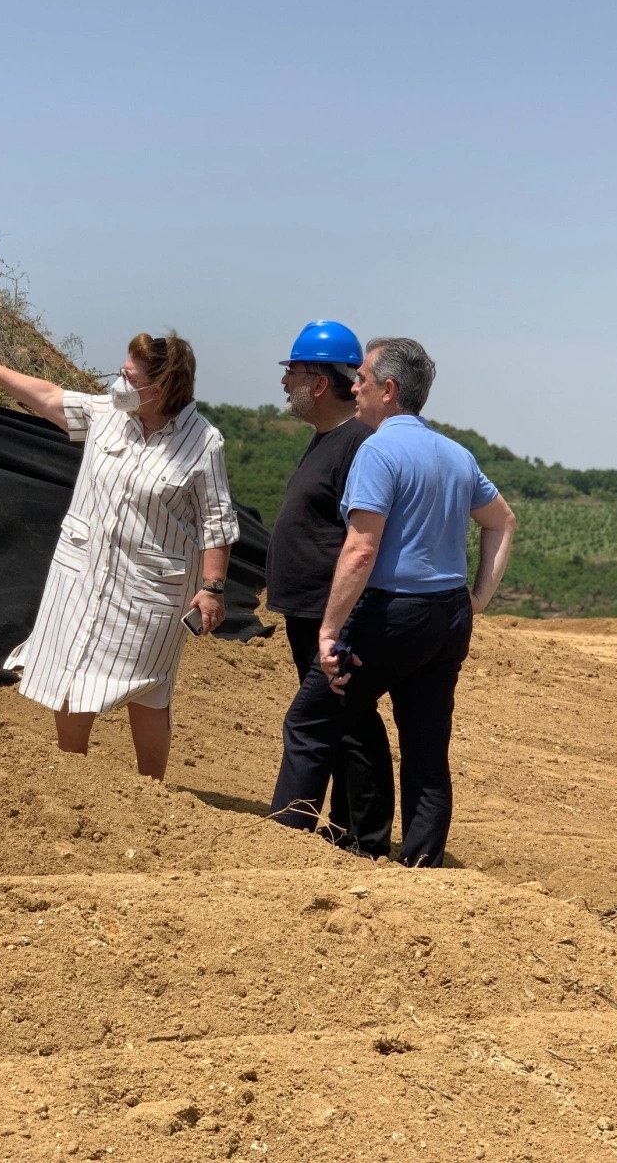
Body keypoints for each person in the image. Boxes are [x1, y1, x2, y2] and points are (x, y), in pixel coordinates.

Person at [270, 336, 516, 867]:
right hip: (448, 617)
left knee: (310, 722)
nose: (353, 386)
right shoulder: (456, 454)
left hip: (392, 614)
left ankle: (282, 848)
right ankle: (424, 865)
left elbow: (361, 549)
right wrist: (477, 599)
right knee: (426, 749)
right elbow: (502, 520)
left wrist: (329, 632)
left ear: (387, 389)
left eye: (361, 378)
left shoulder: (377, 451)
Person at [0, 331, 239, 781]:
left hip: (152, 591)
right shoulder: (108, 414)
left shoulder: (203, 443)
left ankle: (151, 788)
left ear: (160, 388)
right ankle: (74, 776)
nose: (119, 383)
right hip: (83, 576)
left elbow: (217, 521)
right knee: (72, 672)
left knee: (148, 689)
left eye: (130, 377)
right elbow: (50, 397)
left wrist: (212, 588)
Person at [265, 321, 394, 857]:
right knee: (342, 722)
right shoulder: (329, 439)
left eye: (292, 372)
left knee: (343, 721)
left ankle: (360, 840)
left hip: (334, 616)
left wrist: (339, 619)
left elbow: (364, 538)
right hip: (311, 611)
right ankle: (346, 835)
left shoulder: (358, 445)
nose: (284, 382)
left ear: (319, 382)